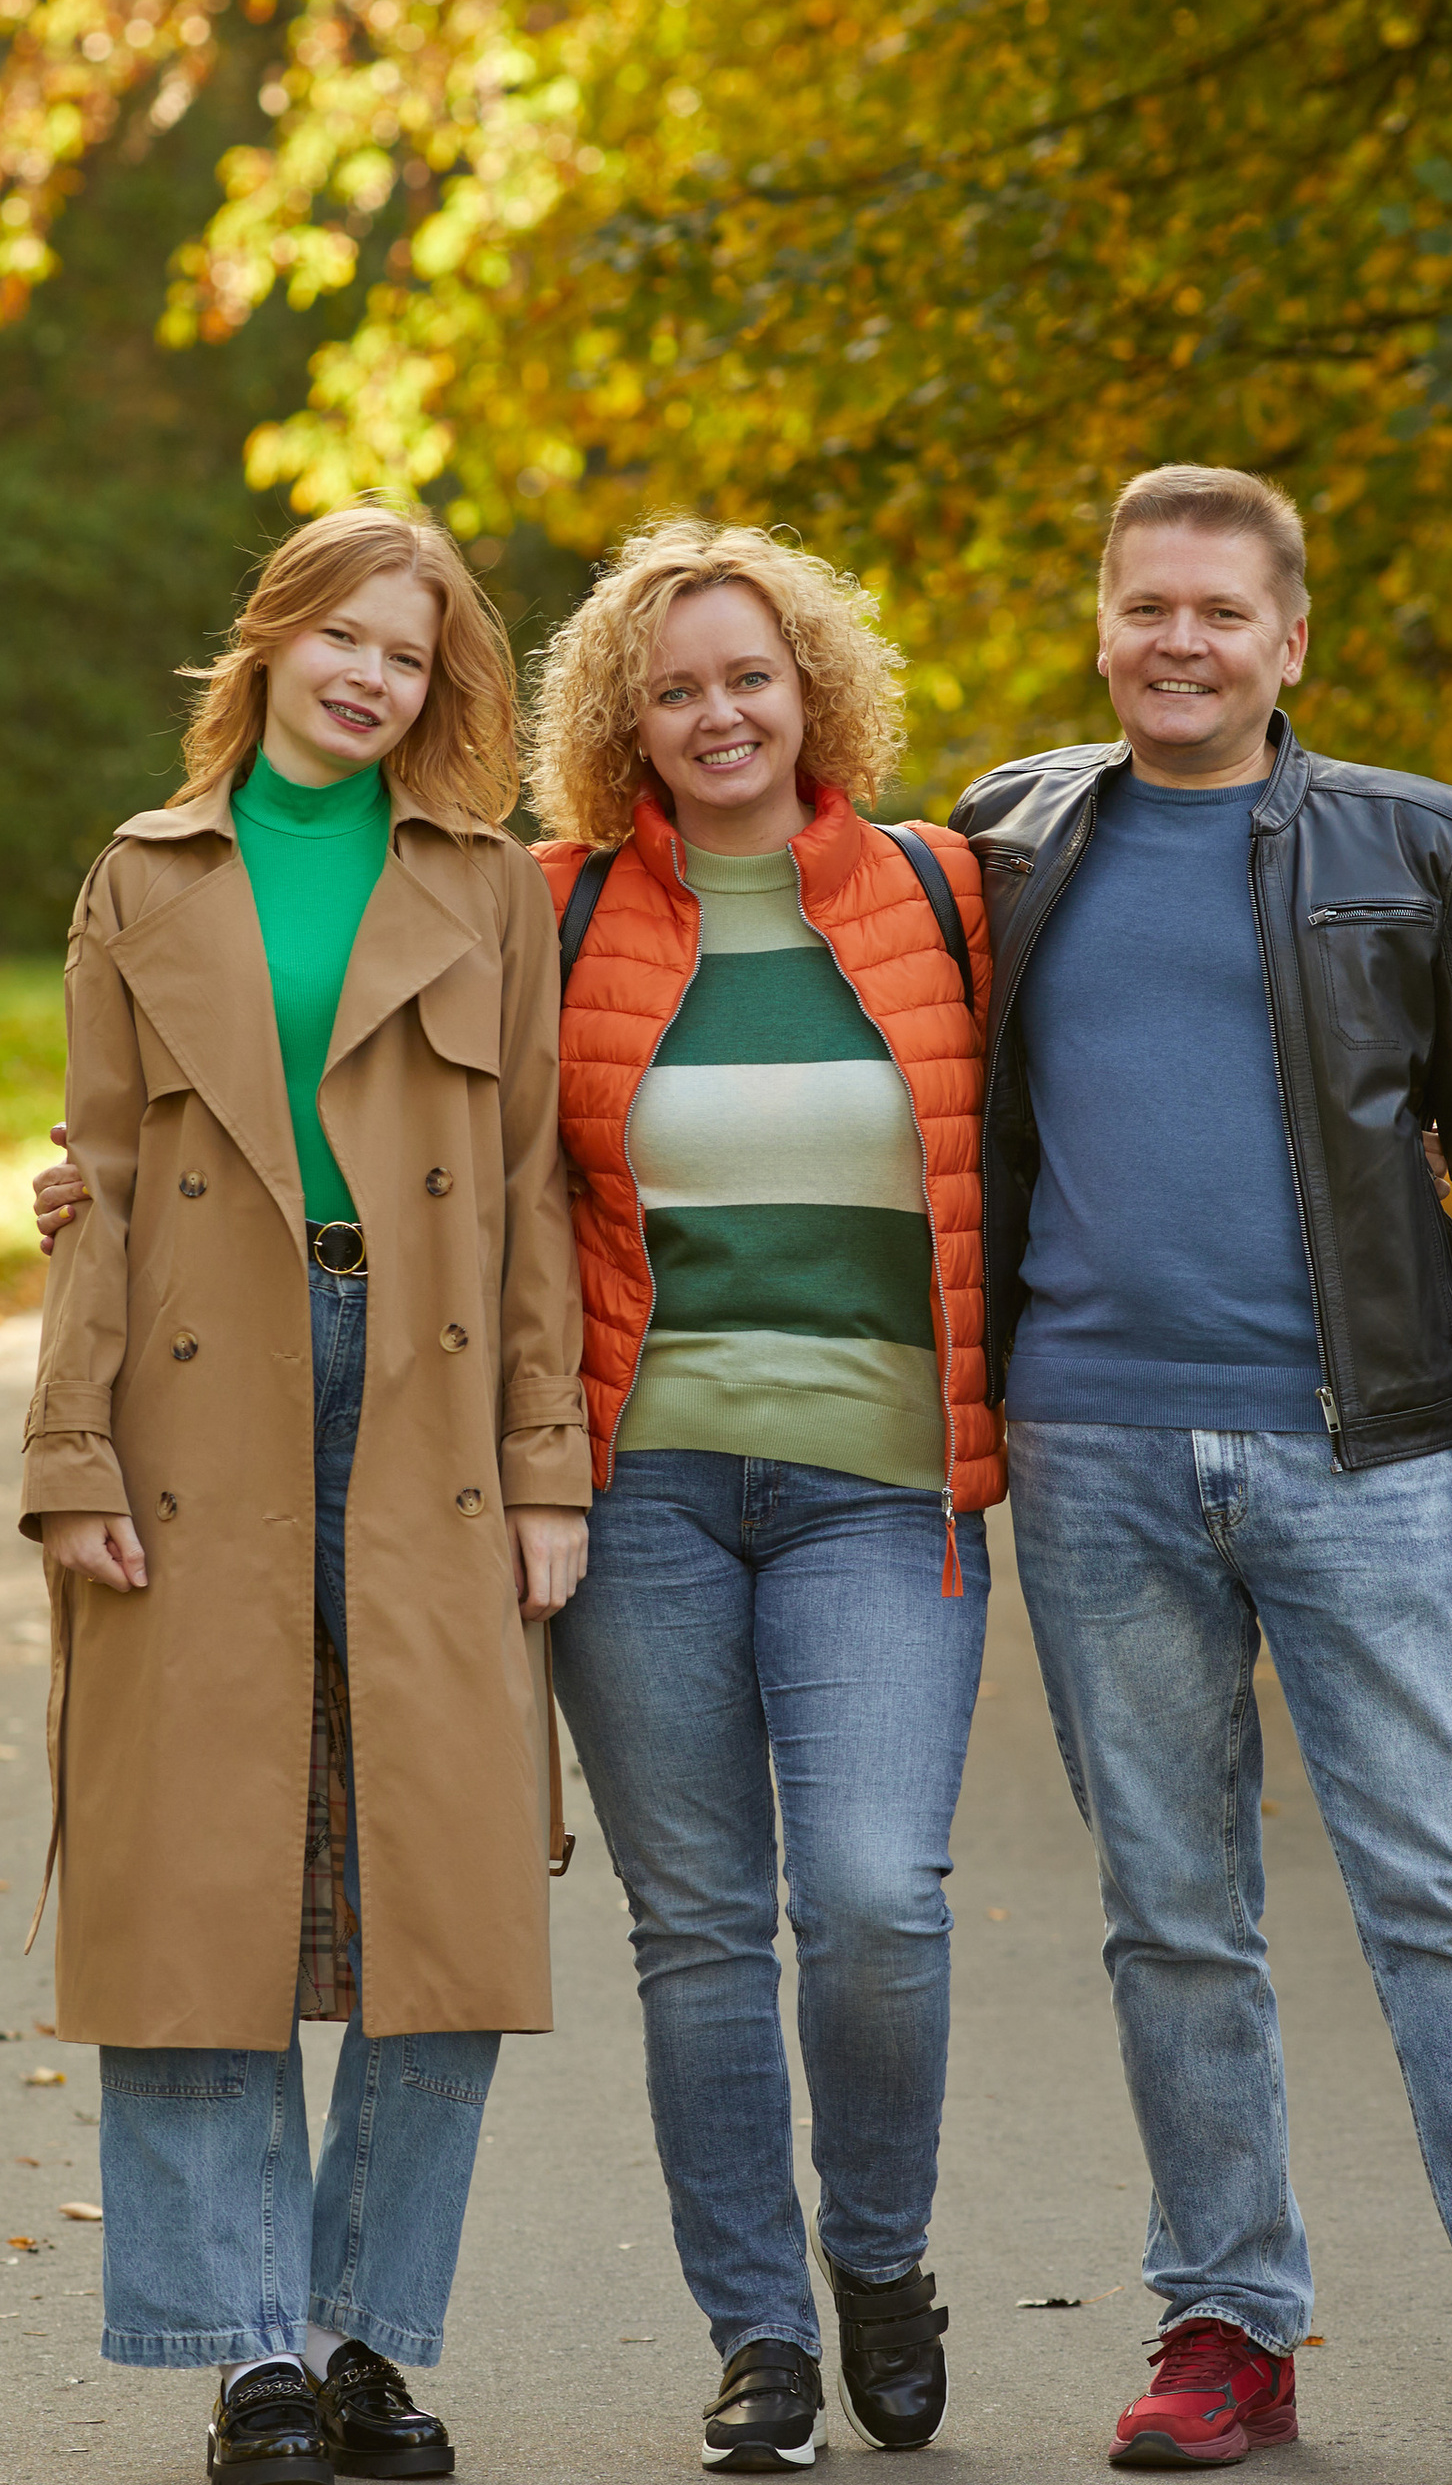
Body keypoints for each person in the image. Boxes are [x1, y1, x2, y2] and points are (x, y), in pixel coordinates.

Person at [947, 464, 1452, 2484]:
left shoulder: (1421, 843)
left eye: (1219, 610)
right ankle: (1225, 2318)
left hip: (1365, 1448)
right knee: (1171, 1908)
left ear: (1289, 636)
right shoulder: (1001, 839)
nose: (1177, 641)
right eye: (1145, 606)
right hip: (1091, 1446)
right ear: (1100, 620)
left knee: (1446, 1892)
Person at [20, 501, 590, 2485]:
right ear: (266, 641)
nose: (369, 672)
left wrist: (547, 1467)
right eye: (338, 634)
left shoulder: (488, 885)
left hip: (428, 1410)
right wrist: (68, 1447)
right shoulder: (142, 872)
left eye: (408, 652)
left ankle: (365, 2336)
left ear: (442, 688)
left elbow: (527, 1193)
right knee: (200, 1883)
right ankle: (247, 2344)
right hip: (204, 1406)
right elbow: (89, 1177)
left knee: (438, 1895)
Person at [527, 522, 1000, 2473]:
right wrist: (100, 1180)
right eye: (672, 688)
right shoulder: (545, 908)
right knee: (700, 1921)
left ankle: (876, 2259)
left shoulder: (940, 890)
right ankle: (758, 2336)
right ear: (617, 724)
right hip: (636, 1485)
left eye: (746, 675)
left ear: (810, 688)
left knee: (876, 1896)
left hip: (879, 1483)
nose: (715, 713)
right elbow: (361, 1097)